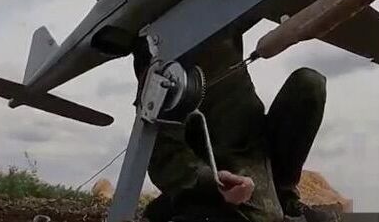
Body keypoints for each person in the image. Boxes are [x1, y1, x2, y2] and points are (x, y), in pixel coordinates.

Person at [134, 33, 336, 222]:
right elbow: (163, 155)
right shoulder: (160, 48)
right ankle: (180, 205)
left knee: (310, 84)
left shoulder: (219, 11)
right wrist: (211, 181)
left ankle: (283, 195)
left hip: (257, 138)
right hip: (224, 160)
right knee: (267, 217)